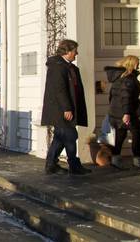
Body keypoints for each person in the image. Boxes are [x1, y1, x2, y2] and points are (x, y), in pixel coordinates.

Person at [42, 39, 91, 176]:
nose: (77, 54)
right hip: (60, 109)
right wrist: (66, 108)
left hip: (69, 108)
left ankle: (51, 164)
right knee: (70, 135)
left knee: (60, 137)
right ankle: (74, 165)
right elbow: (60, 89)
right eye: (75, 51)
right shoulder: (57, 66)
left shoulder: (70, 67)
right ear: (67, 51)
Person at [105, 55, 140, 172]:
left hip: (116, 112)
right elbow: (126, 97)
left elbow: (112, 97)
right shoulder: (128, 79)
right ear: (132, 64)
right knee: (137, 133)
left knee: (120, 135)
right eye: (137, 63)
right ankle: (138, 161)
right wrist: (126, 113)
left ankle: (115, 160)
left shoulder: (118, 77)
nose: (138, 65)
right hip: (126, 113)